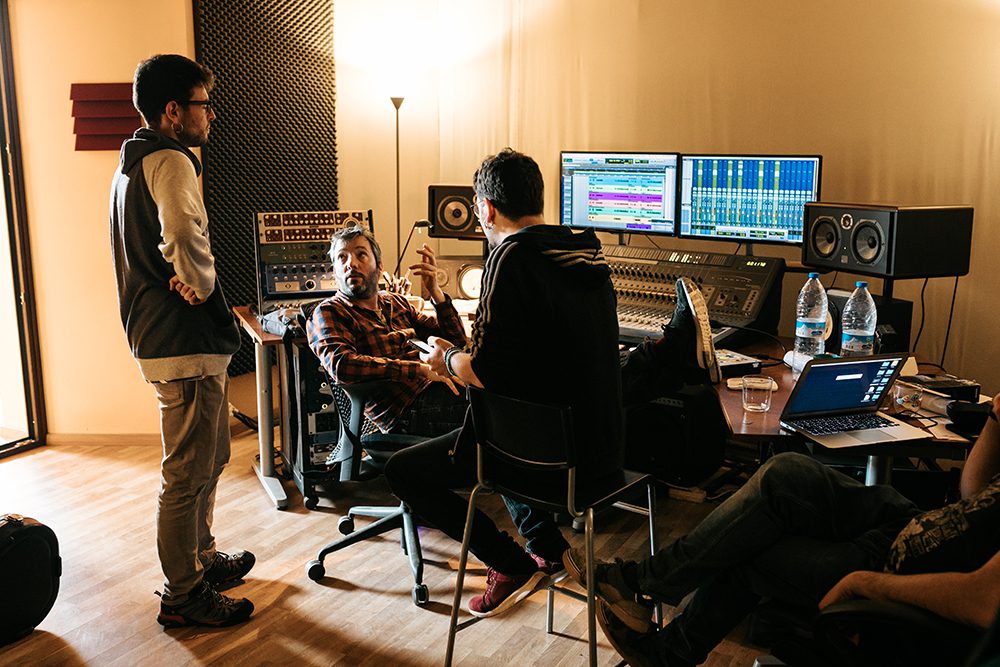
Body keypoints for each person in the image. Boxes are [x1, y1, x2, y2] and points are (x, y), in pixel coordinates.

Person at [383, 148, 720, 619]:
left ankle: (510, 563)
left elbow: (485, 373)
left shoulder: (510, 257)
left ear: (486, 208)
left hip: (549, 464)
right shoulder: (585, 252)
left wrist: (447, 359)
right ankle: (548, 546)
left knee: (406, 469)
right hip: (603, 453)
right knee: (528, 403)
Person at [563, 396, 1000, 666]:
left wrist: (868, 584)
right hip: (910, 526)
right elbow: (973, 496)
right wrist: (997, 419)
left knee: (750, 546)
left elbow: (985, 602)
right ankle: (643, 582)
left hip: (909, 573)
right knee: (785, 473)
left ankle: (666, 648)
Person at [110, 54, 254, 628]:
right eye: (203, 104)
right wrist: (201, 283)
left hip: (166, 338)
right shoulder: (171, 161)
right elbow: (183, 235)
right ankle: (184, 593)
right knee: (187, 471)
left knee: (210, 457)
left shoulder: (130, 162)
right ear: (173, 111)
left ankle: (201, 557)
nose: (211, 115)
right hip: (182, 341)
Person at [307, 226, 469, 438]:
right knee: (492, 410)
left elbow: (457, 342)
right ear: (335, 270)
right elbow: (341, 365)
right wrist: (418, 370)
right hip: (404, 413)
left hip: (440, 388)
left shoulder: (396, 302)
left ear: (379, 266)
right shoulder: (329, 311)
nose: (351, 264)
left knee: (499, 392)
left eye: (361, 254)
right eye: (342, 257)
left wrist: (436, 293)